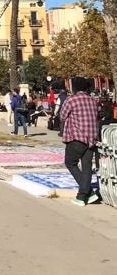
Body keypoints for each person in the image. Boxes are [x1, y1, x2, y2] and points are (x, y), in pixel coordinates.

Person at [60, 77, 100, 206]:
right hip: (91, 138)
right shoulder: (92, 100)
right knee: (86, 166)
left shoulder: (71, 100)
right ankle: (85, 195)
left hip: (77, 137)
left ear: (75, 88)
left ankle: (85, 193)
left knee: (70, 163)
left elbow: (62, 116)